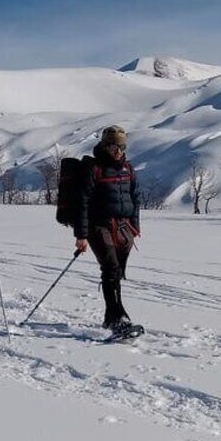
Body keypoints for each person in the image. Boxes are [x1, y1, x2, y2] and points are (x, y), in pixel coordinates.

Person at [73, 125, 141, 334]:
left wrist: (135, 226)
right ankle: (117, 317)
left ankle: (110, 316)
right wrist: (81, 235)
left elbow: (135, 198)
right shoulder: (93, 169)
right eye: (113, 146)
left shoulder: (127, 168)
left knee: (116, 271)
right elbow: (82, 202)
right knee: (110, 268)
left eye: (121, 146)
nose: (118, 150)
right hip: (98, 225)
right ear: (104, 146)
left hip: (123, 227)